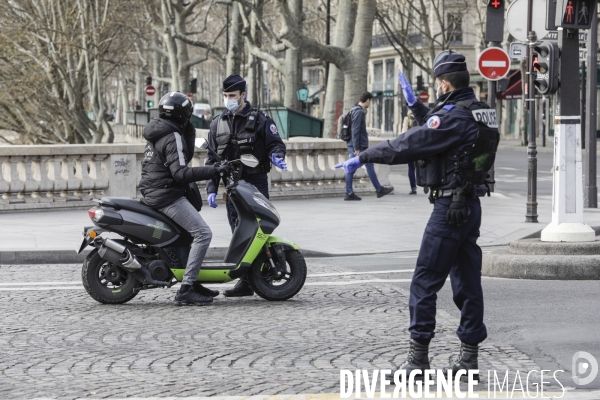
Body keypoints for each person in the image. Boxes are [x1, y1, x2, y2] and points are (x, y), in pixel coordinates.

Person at [336, 53, 499, 379]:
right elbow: (441, 124)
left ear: (443, 82)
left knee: (424, 282)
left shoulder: (454, 117)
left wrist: (364, 155)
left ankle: (418, 361)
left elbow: (413, 142)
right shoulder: (479, 110)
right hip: (470, 206)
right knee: (468, 284)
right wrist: (416, 108)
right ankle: (469, 361)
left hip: (448, 210)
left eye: (438, 81)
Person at [139, 92, 231, 306]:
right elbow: (180, 173)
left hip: (155, 191)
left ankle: (194, 280)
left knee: (188, 235)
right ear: (185, 114)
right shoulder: (172, 135)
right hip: (166, 195)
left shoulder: (159, 130)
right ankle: (186, 289)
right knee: (202, 233)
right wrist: (213, 171)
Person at [206, 74, 287, 297]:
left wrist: (277, 156)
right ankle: (246, 281)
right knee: (238, 231)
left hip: (255, 182)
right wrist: (212, 189)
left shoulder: (260, 120)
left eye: (232, 95)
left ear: (243, 95)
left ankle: (264, 275)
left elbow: (275, 144)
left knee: (259, 231)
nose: (228, 99)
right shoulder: (217, 123)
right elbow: (212, 161)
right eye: (225, 96)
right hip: (232, 186)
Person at [344, 91, 394, 201]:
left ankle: (351, 192)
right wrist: (357, 148)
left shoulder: (354, 109)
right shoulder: (359, 111)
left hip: (356, 144)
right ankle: (377, 189)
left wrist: (363, 132)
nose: (369, 104)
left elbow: (357, 128)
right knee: (358, 167)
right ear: (368, 100)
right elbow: (355, 130)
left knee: (354, 167)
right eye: (370, 101)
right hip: (359, 146)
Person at [401, 110, 419, 195]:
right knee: (422, 166)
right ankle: (425, 182)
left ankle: (413, 188)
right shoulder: (421, 117)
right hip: (421, 145)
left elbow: (404, 133)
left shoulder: (407, 119)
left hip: (410, 146)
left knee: (411, 167)